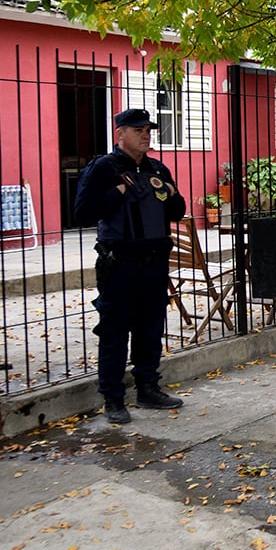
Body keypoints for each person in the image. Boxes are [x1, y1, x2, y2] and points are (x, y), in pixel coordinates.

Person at [73, 108, 188, 423]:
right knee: (114, 331)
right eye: (138, 130)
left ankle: (148, 388)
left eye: (148, 129)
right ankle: (113, 398)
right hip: (119, 262)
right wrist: (116, 192)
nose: (146, 134)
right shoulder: (103, 169)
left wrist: (172, 197)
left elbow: (177, 211)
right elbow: (82, 213)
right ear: (120, 133)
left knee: (150, 328)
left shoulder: (157, 169)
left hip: (154, 261)